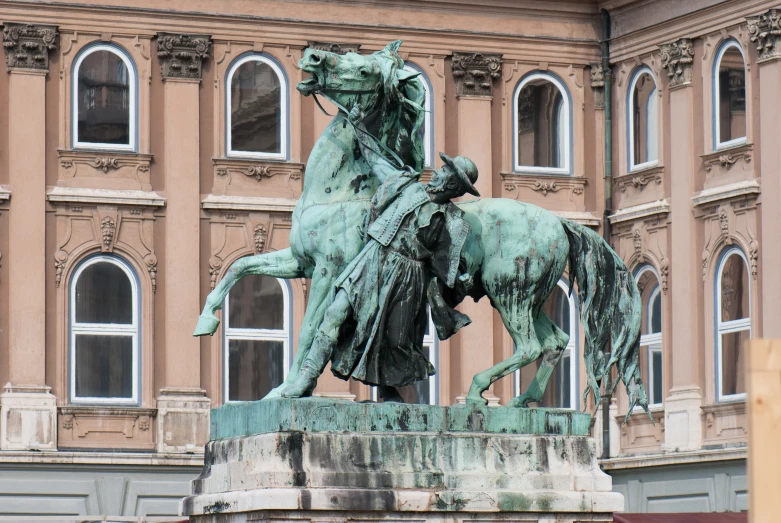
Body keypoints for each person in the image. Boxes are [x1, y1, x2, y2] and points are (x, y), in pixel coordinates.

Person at [282, 145, 480, 399]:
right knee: (336, 311)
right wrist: (359, 125)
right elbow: (376, 162)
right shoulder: (408, 186)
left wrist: (460, 281)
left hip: (407, 277)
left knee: (393, 340)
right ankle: (307, 378)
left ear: (453, 186)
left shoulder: (450, 220)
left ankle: (389, 390)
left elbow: (445, 264)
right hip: (373, 258)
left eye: (444, 172)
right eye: (442, 168)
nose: (437, 173)